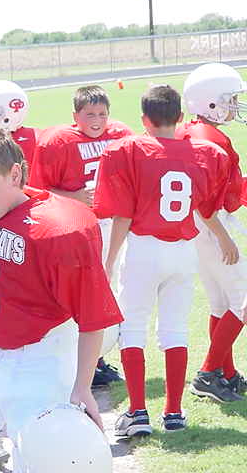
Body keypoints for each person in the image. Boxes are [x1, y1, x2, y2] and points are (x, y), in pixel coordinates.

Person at [0, 121, 121, 473]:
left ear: (15, 174)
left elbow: (92, 315)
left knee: (41, 458)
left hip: (41, 356)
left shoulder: (58, 229)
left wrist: (82, 386)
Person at [93, 84, 237, 436]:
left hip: (144, 248)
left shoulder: (130, 149)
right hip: (183, 251)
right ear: (180, 117)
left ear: (145, 119)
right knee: (175, 329)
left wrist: (109, 261)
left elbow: (123, 214)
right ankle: (173, 412)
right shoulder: (205, 153)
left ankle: (138, 412)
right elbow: (206, 207)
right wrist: (223, 236)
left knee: (133, 327)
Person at [28, 84, 134, 387]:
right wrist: (73, 196)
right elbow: (37, 190)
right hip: (75, 229)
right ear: (75, 116)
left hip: (113, 226)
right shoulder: (57, 141)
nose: (97, 120)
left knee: (110, 291)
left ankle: (96, 360)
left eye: (102, 114)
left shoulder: (121, 134)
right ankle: (73, 362)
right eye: (90, 114)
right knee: (78, 296)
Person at [176, 62, 247, 401]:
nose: (234, 105)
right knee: (243, 301)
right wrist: (223, 236)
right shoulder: (209, 139)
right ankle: (208, 373)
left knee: (221, 303)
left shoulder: (191, 131)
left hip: (197, 226)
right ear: (210, 101)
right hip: (210, 224)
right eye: (229, 99)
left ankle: (226, 374)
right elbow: (205, 198)